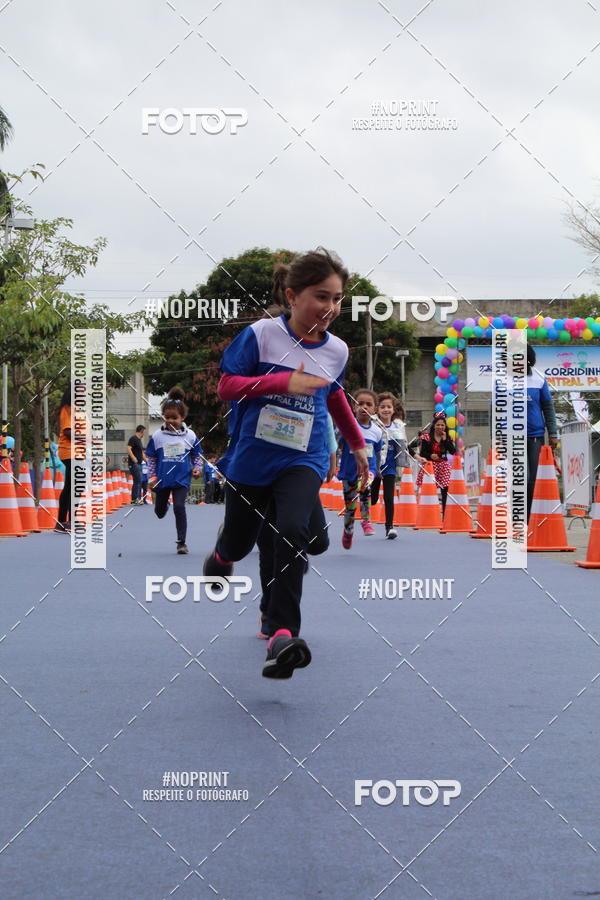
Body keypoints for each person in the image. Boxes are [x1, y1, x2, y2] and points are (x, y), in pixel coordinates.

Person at [203, 247, 368, 679]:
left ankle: (281, 634)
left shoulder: (338, 351)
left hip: (304, 457)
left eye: (337, 299)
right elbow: (226, 387)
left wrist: (356, 444)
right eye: (321, 296)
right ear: (292, 296)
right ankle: (223, 553)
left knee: (295, 532)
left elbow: (333, 395)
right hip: (252, 459)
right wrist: (281, 380)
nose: (330, 308)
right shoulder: (261, 335)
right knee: (241, 543)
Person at [145, 388, 203, 554]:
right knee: (160, 512)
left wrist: (197, 468)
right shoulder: (157, 436)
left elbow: (197, 455)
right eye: (167, 417)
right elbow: (152, 458)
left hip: (181, 479)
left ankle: (181, 543)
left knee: (180, 507)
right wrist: (152, 477)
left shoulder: (190, 436)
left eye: (174, 418)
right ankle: (163, 505)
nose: (170, 420)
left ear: (182, 417)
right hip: (162, 479)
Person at [338, 389, 382, 549]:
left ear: (374, 409)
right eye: (360, 403)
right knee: (350, 506)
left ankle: (366, 521)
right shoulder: (347, 426)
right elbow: (336, 445)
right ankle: (348, 531)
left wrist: (377, 470)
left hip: (368, 471)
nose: (364, 407)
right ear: (353, 406)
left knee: (365, 488)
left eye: (368, 404)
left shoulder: (377, 432)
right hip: (349, 471)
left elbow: (377, 452)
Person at [526, 344, 558, 520]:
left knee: (532, 478)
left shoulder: (539, 378)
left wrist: (553, 433)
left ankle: (531, 517)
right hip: (510, 438)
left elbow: (548, 407)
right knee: (517, 477)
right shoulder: (503, 379)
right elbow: (495, 409)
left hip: (535, 436)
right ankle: (517, 516)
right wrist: (496, 437)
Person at [371, 392, 408, 539]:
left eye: (389, 407)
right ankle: (367, 497)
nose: (386, 410)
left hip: (390, 467)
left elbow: (404, 445)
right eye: (382, 407)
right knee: (373, 498)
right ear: (377, 409)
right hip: (375, 466)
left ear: (393, 409)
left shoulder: (398, 426)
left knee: (389, 497)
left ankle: (389, 527)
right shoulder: (373, 424)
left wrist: (416, 455)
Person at [414, 412, 455, 515]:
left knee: (445, 488)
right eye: (438, 425)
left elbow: (452, 451)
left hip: (443, 465)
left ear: (445, 426)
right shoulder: (426, 437)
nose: (440, 427)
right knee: (428, 489)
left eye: (442, 425)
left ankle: (445, 515)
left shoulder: (447, 437)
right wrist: (430, 456)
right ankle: (427, 513)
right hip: (430, 466)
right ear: (433, 425)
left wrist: (445, 440)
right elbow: (423, 453)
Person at [54, 388, 72, 533]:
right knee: (71, 487)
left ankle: (67, 522)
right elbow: (67, 431)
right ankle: (63, 521)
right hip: (68, 452)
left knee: (73, 487)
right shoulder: (67, 409)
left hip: (79, 453)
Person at [127, 425, 146, 504]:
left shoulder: (139, 440)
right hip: (134, 463)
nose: (143, 434)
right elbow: (128, 448)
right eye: (143, 432)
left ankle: (134, 499)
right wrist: (133, 457)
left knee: (138, 481)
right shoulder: (133, 438)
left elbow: (142, 453)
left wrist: (146, 460)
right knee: (138, 480)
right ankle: (136, 499)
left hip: (139, 463)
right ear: (141, 431)